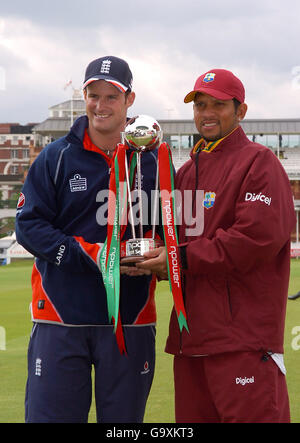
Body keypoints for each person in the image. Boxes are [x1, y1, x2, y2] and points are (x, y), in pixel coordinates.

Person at [137, 69, 295, 423]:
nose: (206, 112)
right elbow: (172, 241)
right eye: (200, 104)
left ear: (241, 111)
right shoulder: (185, 172)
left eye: (219, 105)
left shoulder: (260, 162)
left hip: (242, 343)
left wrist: (178, 259)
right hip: (189, 342)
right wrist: (146, 255)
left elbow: (256, 239)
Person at [15, 56, 159, 423]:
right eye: (93, 95)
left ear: (130, 100)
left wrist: (158, 256)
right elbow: (29, 226)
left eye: (111, 96)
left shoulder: (152, 160)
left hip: (131, 317)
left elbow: (168, 227)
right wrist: (93, 255)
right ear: (84, 97)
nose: (100, 105)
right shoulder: (55, 157)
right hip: (62, 317)